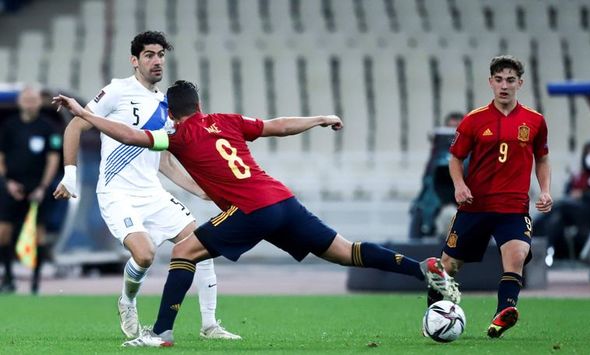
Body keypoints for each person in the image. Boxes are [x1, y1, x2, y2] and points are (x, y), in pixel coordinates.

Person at [53, 79, 461, 347]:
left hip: (249, 209)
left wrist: (85, 113)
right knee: (345, 250)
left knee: (184, 253)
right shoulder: (227, 121)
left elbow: (127, 134)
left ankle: (159, 333)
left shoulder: (176, 133)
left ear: (172, 112)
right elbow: (278, 125)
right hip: (283, 201)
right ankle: (423, 269)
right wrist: (319, 118)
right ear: (201, 104)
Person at [52, 31, 239, 340]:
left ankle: (209, 325)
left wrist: (200, 190)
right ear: (134, 60)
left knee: (201, 245)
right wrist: (70, 175)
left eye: (160, 55)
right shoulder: (116, 91)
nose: (157, 61)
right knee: (145, 254)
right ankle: (127, 300)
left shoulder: (164, 105)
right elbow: (76, 124)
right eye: (149, 55)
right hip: (117, 193)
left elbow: (164, 160)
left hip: (153, 194)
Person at [427, 55, 553, 338]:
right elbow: (455, 158)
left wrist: (545, 190)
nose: (504, 86)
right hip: (475, 206)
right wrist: (459, 185)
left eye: (510, 80)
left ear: (520, 83)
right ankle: (433, 316)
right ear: (490, 83)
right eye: (498, 80)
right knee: (447, 266)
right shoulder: (474, 120)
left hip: (514, 207)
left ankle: (502, 314)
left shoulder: (535, 121)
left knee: (517, 255)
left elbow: (542, 158)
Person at [0, 85, 61, 294]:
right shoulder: (9, 126)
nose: (29, 103)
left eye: (33, 99)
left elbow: (53, 159)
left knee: (38, 235)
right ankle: (8, 278)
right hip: (12, 187)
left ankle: (35, 283)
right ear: (19, 102)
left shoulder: (47, 128)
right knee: (3, 233)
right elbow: (1, 157)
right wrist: (8, 181)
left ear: (39, 102)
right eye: (26, 99)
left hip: (37, 189)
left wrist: (42, 187)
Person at [538, 141, 590, 262]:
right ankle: (549, 253)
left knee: (559, 206)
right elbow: (568, 193)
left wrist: (583, 193)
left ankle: (531, 226)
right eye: (588, 153)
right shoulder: (578, 176)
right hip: (571, 211)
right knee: (556, 219)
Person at [409, 112, 463, 239]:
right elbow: (428, 182)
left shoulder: (473, 157)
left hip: (464, 196)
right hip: (436, 200)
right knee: (420, 210)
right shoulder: (436, 157)